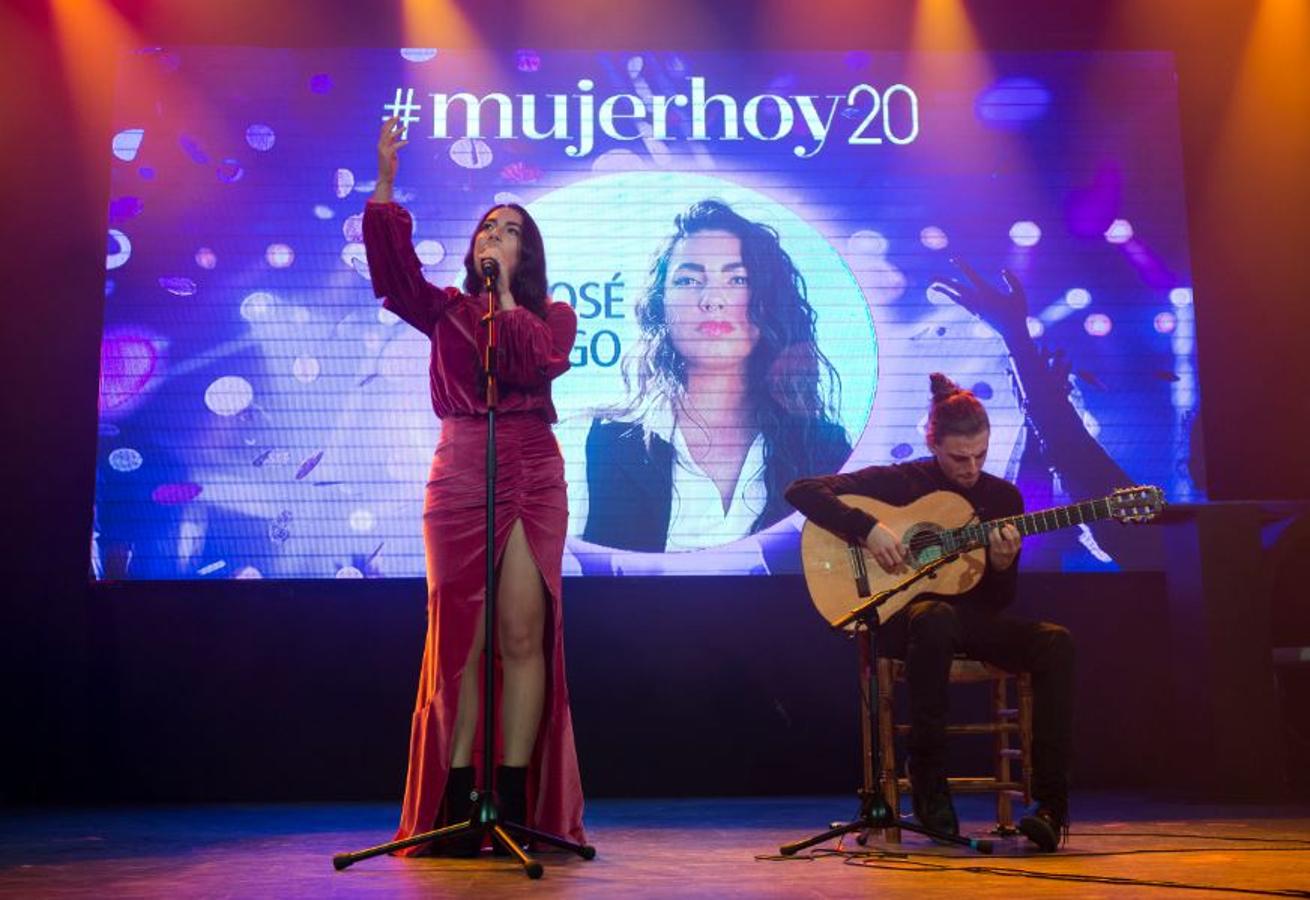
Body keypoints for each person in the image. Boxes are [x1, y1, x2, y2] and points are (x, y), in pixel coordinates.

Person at [363, 116, 585, 854]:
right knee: (463, 638)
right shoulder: (446, 312)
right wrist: (388, 182)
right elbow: (391, 280)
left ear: (528, 251)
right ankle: (459, 805)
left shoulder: (551, 314)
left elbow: (536, 363)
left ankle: (512, 797)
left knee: (523, 634)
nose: (496, 232)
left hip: (532, 468)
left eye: (511, 228)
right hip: (462, 467)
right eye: (489, 224)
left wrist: (507, 297)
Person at [784, 373, 1074, 852]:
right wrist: (868, 529)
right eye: (959, 458)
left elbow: (996, 603)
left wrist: (1002, 565)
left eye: (980, 455)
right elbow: (802, 490)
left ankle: (1049, 808)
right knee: (934, 617)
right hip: (908, 625)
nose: (971, 468)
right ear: (934, 444)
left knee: (1055, 642)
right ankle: (929, 784)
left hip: (969, 622)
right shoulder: (903, 483)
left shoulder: (1003, 500)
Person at [572, 199, 851, 552]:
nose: (712, 299)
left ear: (769, 299)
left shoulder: (824, 448)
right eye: (688, 280)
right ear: (661, 304)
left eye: (737, 279)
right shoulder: (591, 441)